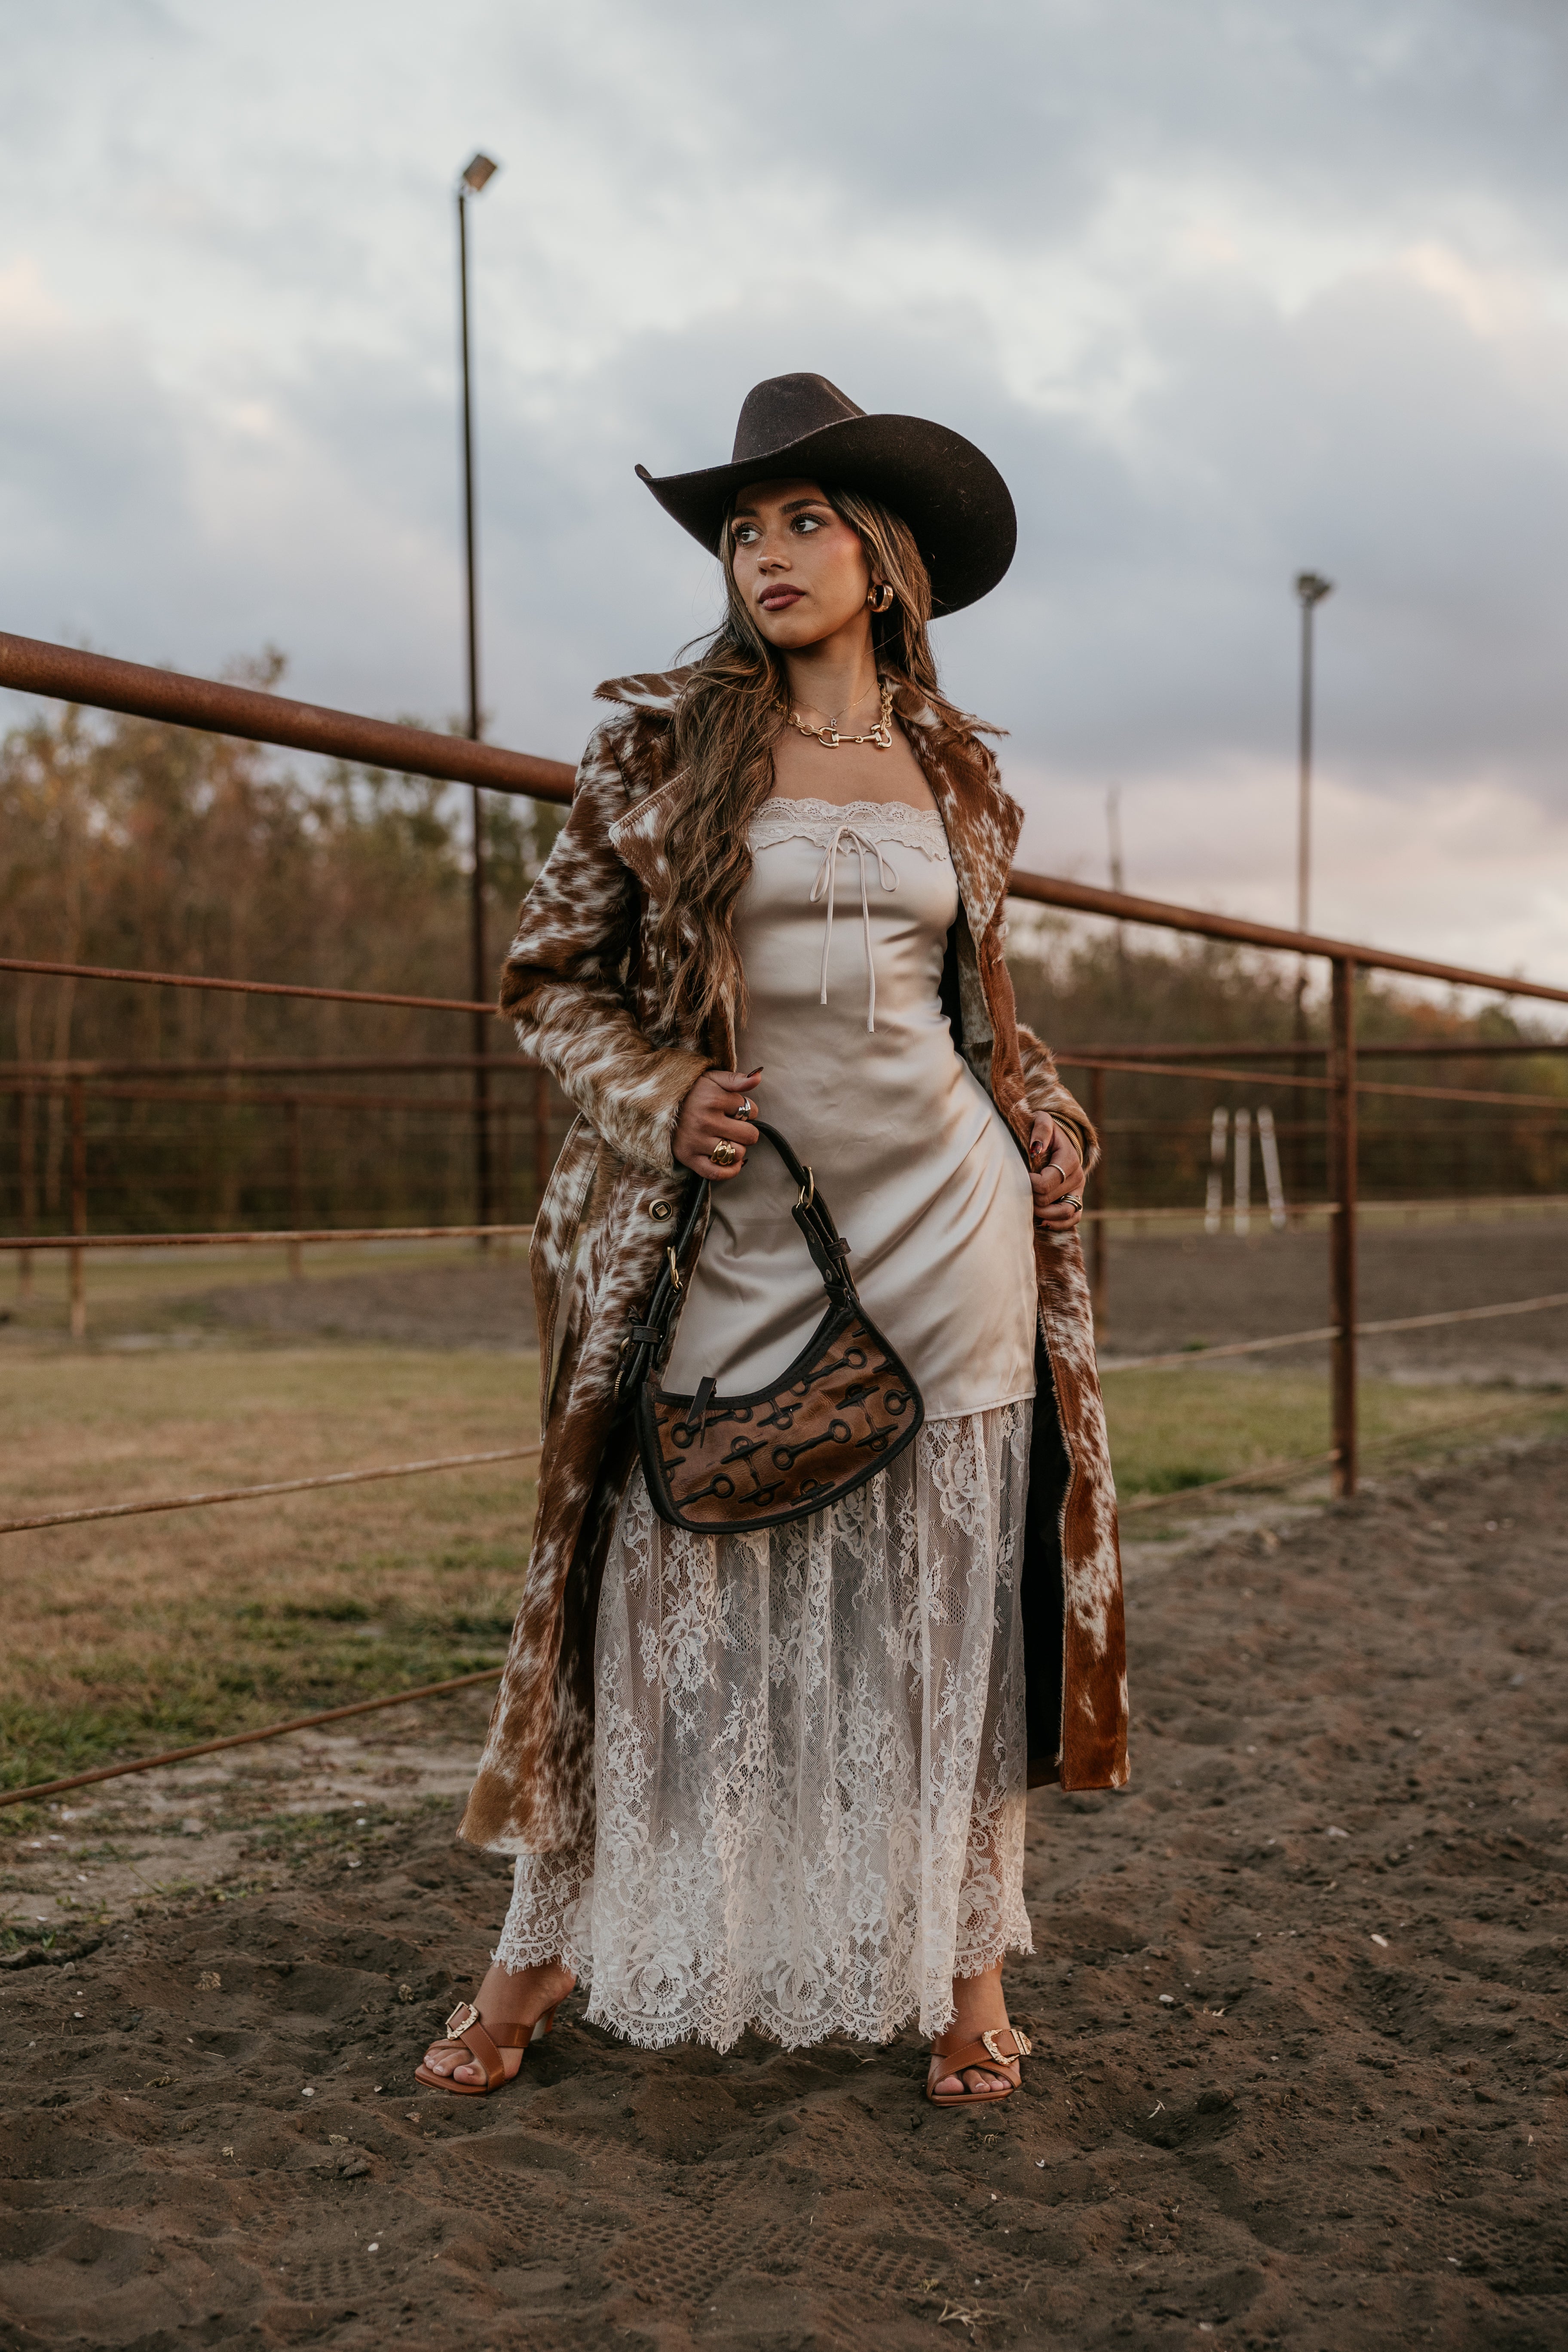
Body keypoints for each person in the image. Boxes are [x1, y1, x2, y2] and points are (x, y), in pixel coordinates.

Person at [418, 373, 1127, 2108]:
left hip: (952, 1226)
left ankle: (966, 1976)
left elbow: (970, 1008)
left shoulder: (953, 765)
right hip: (734, 1232)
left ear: (885, 561)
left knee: (951, 1610)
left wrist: (1041, 1113)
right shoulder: (658, 745)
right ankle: (548, 1940)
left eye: (805, 521)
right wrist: (662, 1093)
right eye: (745, 530)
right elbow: (547, 980)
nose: (769, 554)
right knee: (661, 1602)